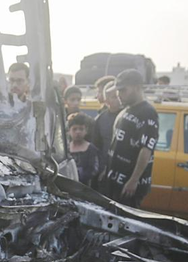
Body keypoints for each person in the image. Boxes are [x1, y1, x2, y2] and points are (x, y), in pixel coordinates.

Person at [96, 69, 158, 207]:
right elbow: (116, 144)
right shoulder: (125, 110)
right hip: (113, 180)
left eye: (123, 90)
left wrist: (133, 180)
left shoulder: (148, 113)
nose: (118, 94)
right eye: (117, 90)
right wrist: (107, 170)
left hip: (128, 186)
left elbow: (146, 149)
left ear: (137, 88)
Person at [66, 112, 102, 187]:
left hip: (85, 187)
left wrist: (78, 175)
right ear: (69, 131)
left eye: (81, 129)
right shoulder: (66, 149)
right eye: (74, 129)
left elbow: (93, 170)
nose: (78, 132)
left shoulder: (91, 149)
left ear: (86, 131)